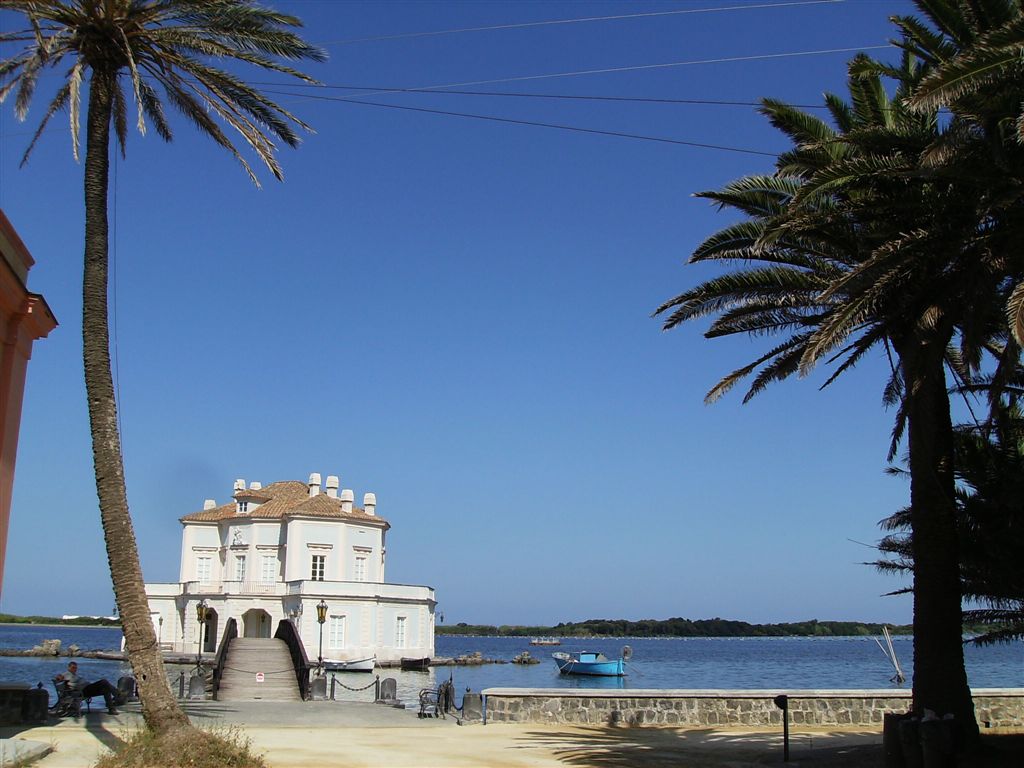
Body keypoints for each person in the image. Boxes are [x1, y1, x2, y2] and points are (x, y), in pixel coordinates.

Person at [54, 661, 119, 715]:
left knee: (106, 689)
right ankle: (118, 695)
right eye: (73, 668)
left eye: (76, 668)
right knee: (104, 682)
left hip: (87, 689)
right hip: (82, 691)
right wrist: (59, 678)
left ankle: (111, 709)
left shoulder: (74, 675)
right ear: (68, 667)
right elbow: (59, 677)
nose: (74, 669)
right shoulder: (66, 674)